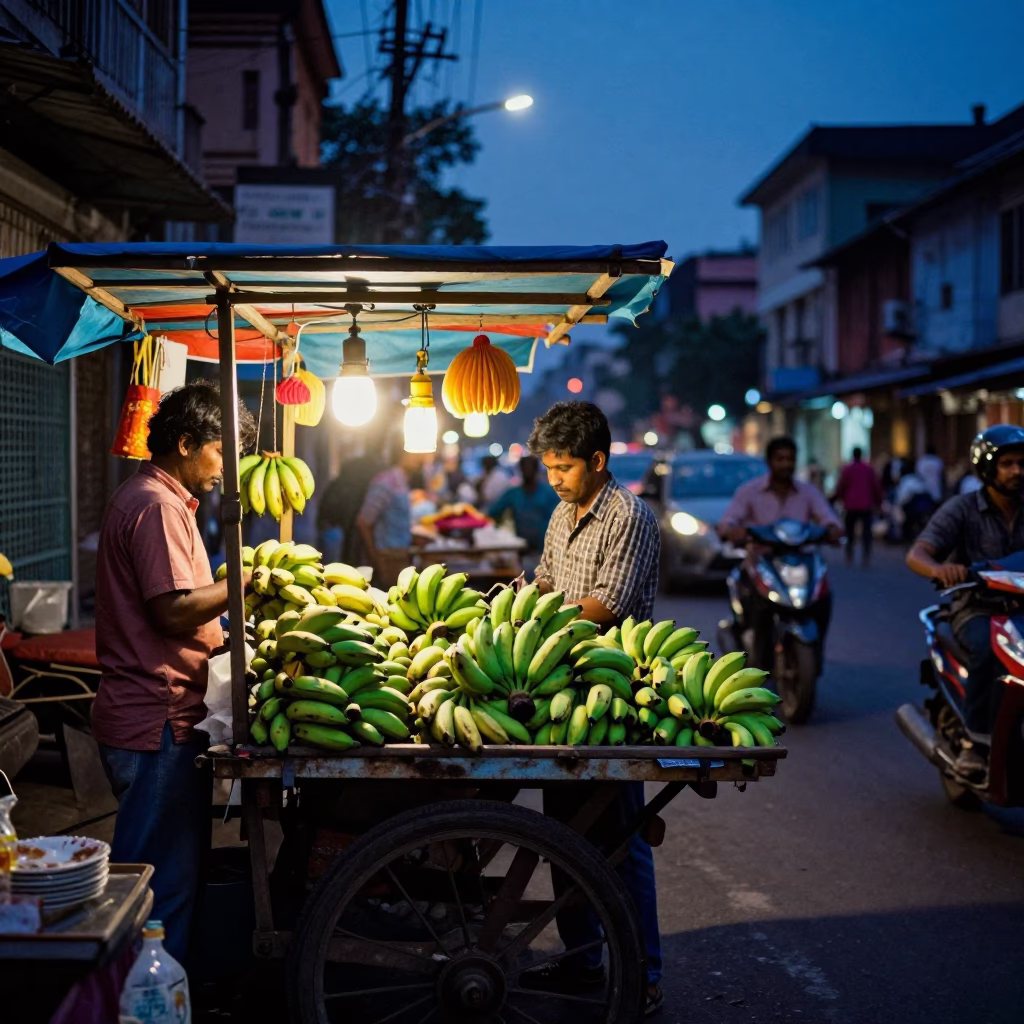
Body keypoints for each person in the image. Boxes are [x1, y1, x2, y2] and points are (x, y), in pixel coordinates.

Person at [92, 381, 256, 963]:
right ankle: (139, 998)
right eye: (219, 453)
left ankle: (156, 992)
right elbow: (172, 610)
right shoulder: (156, 506)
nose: (224, 471)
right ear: (186, 444)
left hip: (156, 717)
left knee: (166, 875)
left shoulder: (158, 500)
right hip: (155, 719)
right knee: (154, 887)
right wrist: (243, 582)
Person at [525, 401, 664, 1015]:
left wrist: (537, 618)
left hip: (612, 691)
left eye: (564, 466)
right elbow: (547, 581)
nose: (555, 477)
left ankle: (646, 972)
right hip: (561, 687)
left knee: (620, 837)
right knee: (565, 831)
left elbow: (610, 602)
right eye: (549, 466)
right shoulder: (561, 515)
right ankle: (584, 960)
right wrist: (515, 605)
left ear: (598, 461)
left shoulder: (628, 516)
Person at [906, 425, 1024, 780]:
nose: (1018, 471)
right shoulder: (962, 508)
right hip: (977, 607)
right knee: (989, 651)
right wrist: (942, 570)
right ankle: (976, 742)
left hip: (1022, 609)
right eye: (1007, 464)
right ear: (988, 468)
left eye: (1022, 463)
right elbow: (918, 553)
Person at [717, 436, 842, 667]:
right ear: (769, 461)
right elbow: (729, 521)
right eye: (780, 459)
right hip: (762, 562)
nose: (786, 464)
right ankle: (755, 659)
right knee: (757, 609)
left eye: (790, 459)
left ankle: (816, 653)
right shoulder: (750, 492)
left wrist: (832, 529)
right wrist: (733, 531)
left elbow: (828, 518)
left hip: (800, 561)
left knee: (823, 600)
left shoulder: (808, 492)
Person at [355, 443, 423, 588]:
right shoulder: (385, 481)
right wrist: (376, 558)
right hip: (388, 556)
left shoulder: (403, 480)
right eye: (416, 453)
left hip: (402, 554)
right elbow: (364, 521)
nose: (421, 458)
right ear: (403, 454)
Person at [486, 454, 559, 568]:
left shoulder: (548, 492)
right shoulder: (514, 493)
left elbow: (561, 517)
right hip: (522, 549)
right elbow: (493, 512)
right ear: (520, 470)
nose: (527, 471)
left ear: (536, 470)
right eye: (524, 468)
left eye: (531, 467)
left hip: (547, 549)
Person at [834, 446, 883, 566]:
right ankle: (866, 557)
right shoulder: (868, 469)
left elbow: (841, 485)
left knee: (850, 532)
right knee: (867, 533)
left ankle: (849, 555)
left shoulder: (848, 469)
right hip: (866, 505)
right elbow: (876, 487)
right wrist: (878, 503)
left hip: (851, 505)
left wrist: (837, 498)